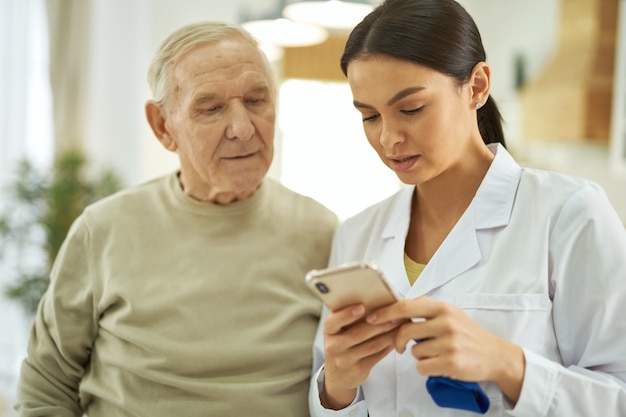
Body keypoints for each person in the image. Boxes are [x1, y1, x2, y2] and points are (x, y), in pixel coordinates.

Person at [308, 0, 626, 416]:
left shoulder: (569, 214)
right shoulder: (357, 234)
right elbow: (329, 406)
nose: (388, 139)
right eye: (369, 116)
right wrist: (338, 387)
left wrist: (508, 364)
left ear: (476, 86)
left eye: (411, 109)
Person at [16, 21, 338, 417]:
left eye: (257, 101)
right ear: (163, 126)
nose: (242, 128)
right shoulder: (102, 230)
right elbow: (45, 391)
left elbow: (347, 387)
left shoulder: (324, 232)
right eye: (211, 108)